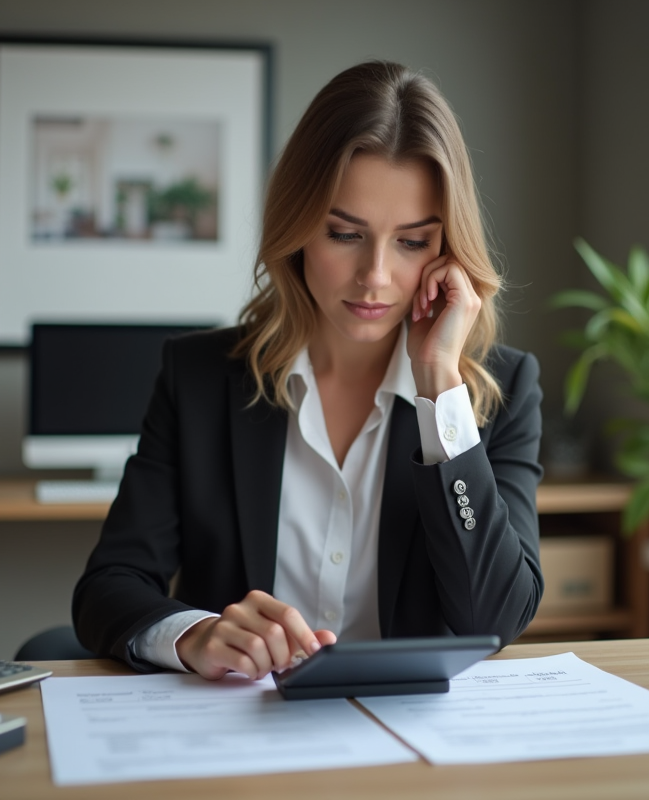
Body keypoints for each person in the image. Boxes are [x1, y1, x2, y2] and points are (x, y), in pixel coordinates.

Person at [73, 60, 544, 680]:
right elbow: (109, 585)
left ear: (447, 248)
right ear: (297, 227)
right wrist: (196, 634)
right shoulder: (198, 378)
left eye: (411, 242)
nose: (375, 276)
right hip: (243, 733)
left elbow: (498, 615)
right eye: (344, 233)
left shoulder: (498, 392)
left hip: (415, 747)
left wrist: (439, 385)